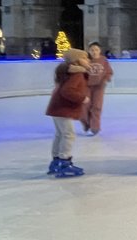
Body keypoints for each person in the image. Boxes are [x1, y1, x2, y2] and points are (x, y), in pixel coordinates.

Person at [45, 49, 90, 178]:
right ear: (77, 60)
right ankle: (64, 162)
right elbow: (67, 91)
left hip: (57, 107)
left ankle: (56, 160)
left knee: (61, 134)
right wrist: (82, 98)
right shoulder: (77, 74)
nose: (88, 61)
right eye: (85, 58)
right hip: (63, 108)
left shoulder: (67, 71)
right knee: (68, 135)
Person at [81, 41, 114, 136]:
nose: (94, 52)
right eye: (92, 50)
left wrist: (105, 79)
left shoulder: (103, 60)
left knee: (97, 107)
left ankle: (95, 126)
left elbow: (109, 72)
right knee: (83, 106)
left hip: (99, 87)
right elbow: (80, 73)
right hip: (86, 87)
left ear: (100, 51)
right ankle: (86, 123)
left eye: (96, 50)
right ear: (89, 51)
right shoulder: (85, 60)